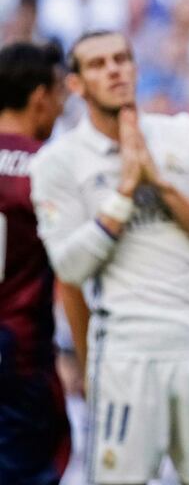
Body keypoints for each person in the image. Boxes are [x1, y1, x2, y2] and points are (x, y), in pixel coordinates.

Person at [29, 30, 189, 485]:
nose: (114, 69)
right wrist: (125, 191)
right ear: (76, 85)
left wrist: (160, 183)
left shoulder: (183, 136)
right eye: (98, 63)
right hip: (126, 354)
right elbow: (68, 266)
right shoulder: (58, 162)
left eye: (122, 59)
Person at [0, 41, 70, 485]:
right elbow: (75, 273)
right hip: (19, 361)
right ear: (40, 96)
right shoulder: (48, 168)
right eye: (61, 94)